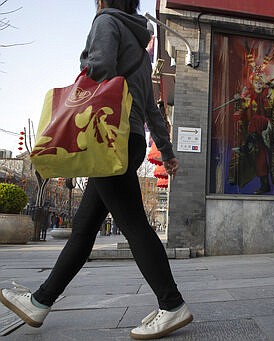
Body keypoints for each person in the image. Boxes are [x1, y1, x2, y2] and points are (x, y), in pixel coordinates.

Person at [0, 1, 192, 340]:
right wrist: (167, 151)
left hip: (107, 138)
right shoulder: (138, 42)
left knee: (133, 224)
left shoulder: (106, 21)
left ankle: (172, 304)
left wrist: (85, 65)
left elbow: (99, 66)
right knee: (84, 229)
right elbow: (151, 107)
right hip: (127, 140)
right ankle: (40, 301)